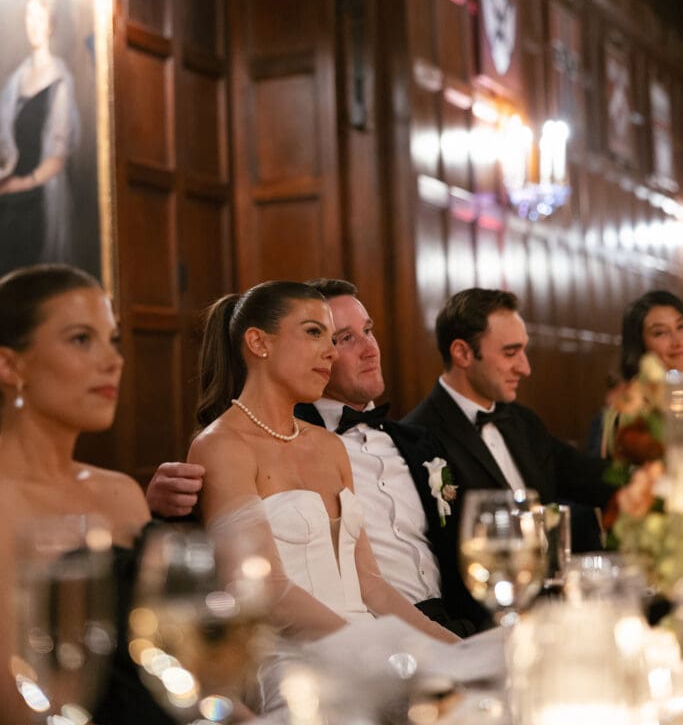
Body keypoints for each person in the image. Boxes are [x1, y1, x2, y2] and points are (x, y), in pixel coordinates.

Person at [187, 281, 458, 712]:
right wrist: (378, 653)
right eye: (315, 333)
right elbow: (265, 591)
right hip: (284, 660)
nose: (331, 352)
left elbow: (372, 585)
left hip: (365, 639)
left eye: (332, 339)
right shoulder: (221, 446)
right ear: (258, 342)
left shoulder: (330, 447)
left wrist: (455, 649)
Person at [0, 264, 176, 725]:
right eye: (81, 339)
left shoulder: (120, 493)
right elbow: (19, 704)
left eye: (112, 339)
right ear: (9, 364)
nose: (113, 360)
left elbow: (169, 658)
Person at [295, 277, 484, 634]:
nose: (370, 349)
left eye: (369, 331)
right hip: (372, 634)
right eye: (346, 338)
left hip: (458, 622)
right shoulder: (294, 444)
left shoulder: (420, 442)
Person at [403, 288, 615, 550]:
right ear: (462, 353)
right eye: (510, 353)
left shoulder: (523, 423)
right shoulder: (417, 436)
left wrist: (661, 480)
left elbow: (594, 478)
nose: (525, 368)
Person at [0, 0, 80, 275]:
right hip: (10, 195)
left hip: (36, 201)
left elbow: (56, 160)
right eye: (28, 16)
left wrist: (19, 185)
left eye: (39, 16)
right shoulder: (16, 79)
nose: (33, 24)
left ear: (51, 24)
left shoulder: (59, 79)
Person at [620, 289, 683, 381]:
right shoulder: (633, 393)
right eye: (660, 332)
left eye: (681, 326)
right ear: (640, 344)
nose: (678, 341)